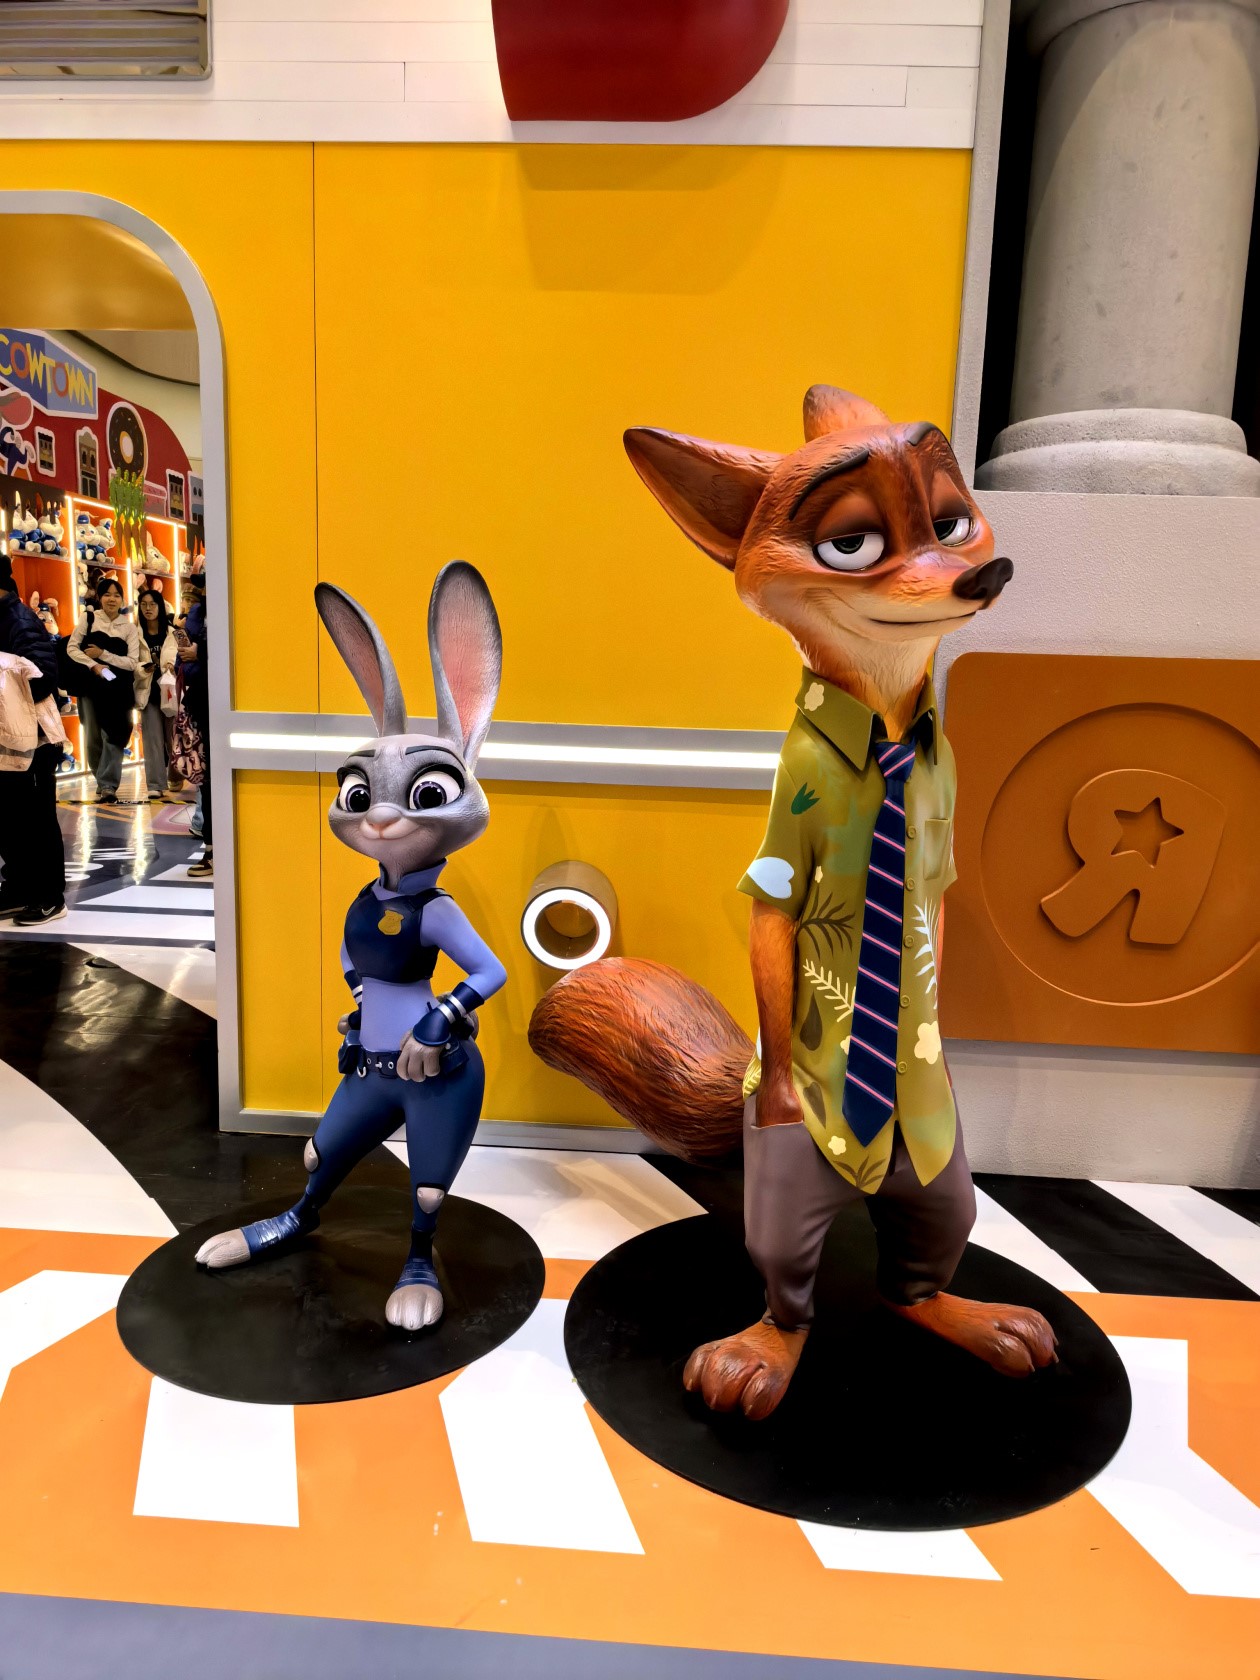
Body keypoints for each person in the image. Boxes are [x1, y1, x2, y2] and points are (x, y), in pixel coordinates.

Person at [0, 551, 67, 924]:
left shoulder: (21, 621)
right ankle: (19, 887)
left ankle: (50, 897)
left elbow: (42, 680)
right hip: (8, 738)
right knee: (9, 818)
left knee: (37, 819)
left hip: (34, 740)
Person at [67, 576, 138, 804]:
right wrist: (94, 665)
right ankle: (101, 778)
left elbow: (132, 662)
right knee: (93, 736)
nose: (112, 599)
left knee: (115, 734)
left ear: (122, 599)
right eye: (107, 594)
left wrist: (103, 655)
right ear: (99, 597)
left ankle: (108, 784)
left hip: (118, 689)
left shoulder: (129, 627)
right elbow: (72, 649)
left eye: (116, 595)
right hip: (90, 687)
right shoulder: (88, 618)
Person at [178, 574, 212, 876]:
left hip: (221, 703)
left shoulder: (231, 608)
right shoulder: (197, 614)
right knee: (206, 778)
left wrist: (200, 652)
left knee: (213, 779)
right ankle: (211, 847)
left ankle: (214, 848)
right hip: (199, 702)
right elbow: (183, 656)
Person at [134, 586, 181, 802]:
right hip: (148, 692)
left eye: (152, 604)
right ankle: (155, 784)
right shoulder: (135, 635)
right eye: (144, 604)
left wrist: (173, 666)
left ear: (160, 607)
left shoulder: (174, 633)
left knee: (174, 739)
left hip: (170, 692)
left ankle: (176, 775)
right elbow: (130, 663)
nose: (148, 608)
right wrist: (142, 669)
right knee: (152, 741)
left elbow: (184, 658)